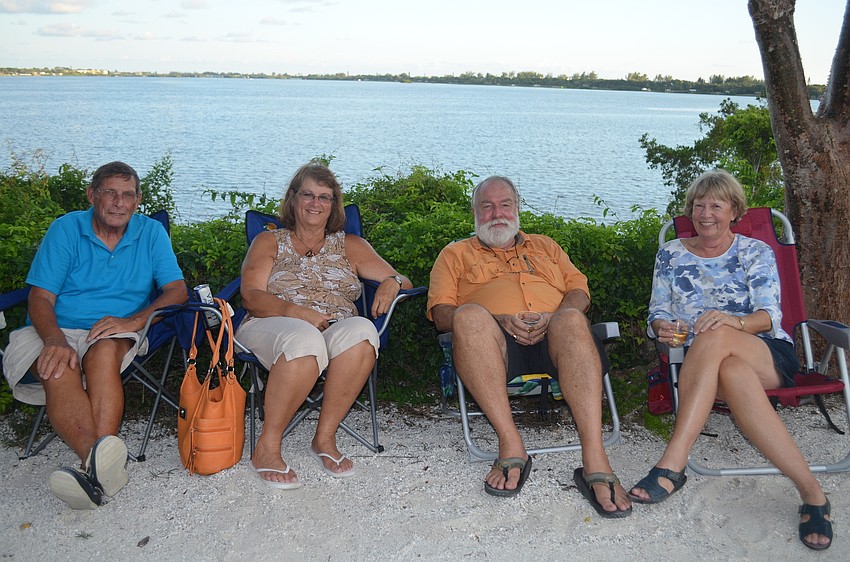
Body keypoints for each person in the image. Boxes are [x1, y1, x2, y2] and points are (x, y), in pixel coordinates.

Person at [629, 169, 832, 550]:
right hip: (706, 368)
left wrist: (732, 322)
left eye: (716, 206)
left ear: (735, 211)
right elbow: (656, 313)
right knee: (731, 371)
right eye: (699, 205)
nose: (706, 213)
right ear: (690, 211)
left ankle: (673, 462)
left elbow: (770, 316)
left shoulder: (755, 252)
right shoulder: (670, 254)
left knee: (718, 335)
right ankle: (813, 494)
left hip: (765, 354)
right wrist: (662, 328)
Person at [426, 175, 631, 517]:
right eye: (487, 206)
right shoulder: (455, 254)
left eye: (504, 204)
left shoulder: (546, 246)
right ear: (474, 212)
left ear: (517, 207)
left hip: (557, 338)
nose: (496, 213)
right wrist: (498, 317)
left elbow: (579, 288)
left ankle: (595, 456)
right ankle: (511, 443)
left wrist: (558, 315)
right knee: (469, 316)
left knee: (570, 318)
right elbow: (441, 313)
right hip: (494, 344)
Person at [2, 161, 188, 509]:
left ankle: (92, 468)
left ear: (138, 200)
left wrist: (133, 321)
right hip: (53, 327)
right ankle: (98, 465)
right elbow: (40, 297)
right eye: (110, 193)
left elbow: (177, 291)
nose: (119, 202)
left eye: (128, 195)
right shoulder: (66, 229)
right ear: (92, 195)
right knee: (59, 364)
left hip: (116, 329)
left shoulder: (150, 233)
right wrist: (55, 339)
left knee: (103, 354)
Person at [236, 163, 412, 489]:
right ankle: (267, 447)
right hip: (270, 323)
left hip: (333, 325)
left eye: (325, 197)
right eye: (308, 195)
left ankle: (325, 438)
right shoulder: (269, 241)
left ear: (333, 206)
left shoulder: (350, 245)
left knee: (362, 333)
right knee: (305, 340)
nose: (316, 203)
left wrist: (391, 282)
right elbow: (251, 296)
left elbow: (400, 277)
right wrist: (298, 313)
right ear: (293, 199)